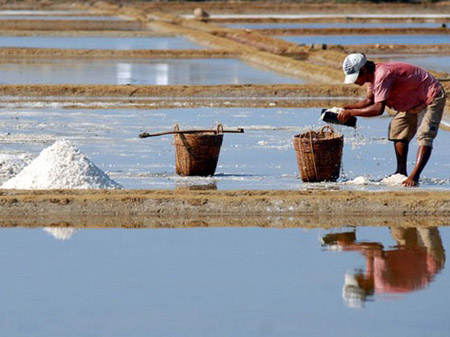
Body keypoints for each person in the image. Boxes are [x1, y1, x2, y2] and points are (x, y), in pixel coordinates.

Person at [337, 53, 447, 186]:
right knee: (398, 129)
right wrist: (344, 109)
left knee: (425, 135)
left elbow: (378, 109)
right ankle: (400, 172)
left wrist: (351, 113)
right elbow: (369, 100)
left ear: (364, 70)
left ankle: (414, 177)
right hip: (410, 100)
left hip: (430, 95)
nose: (355, 81)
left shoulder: (382, 75)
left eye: (356, 77)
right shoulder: (371, 78)